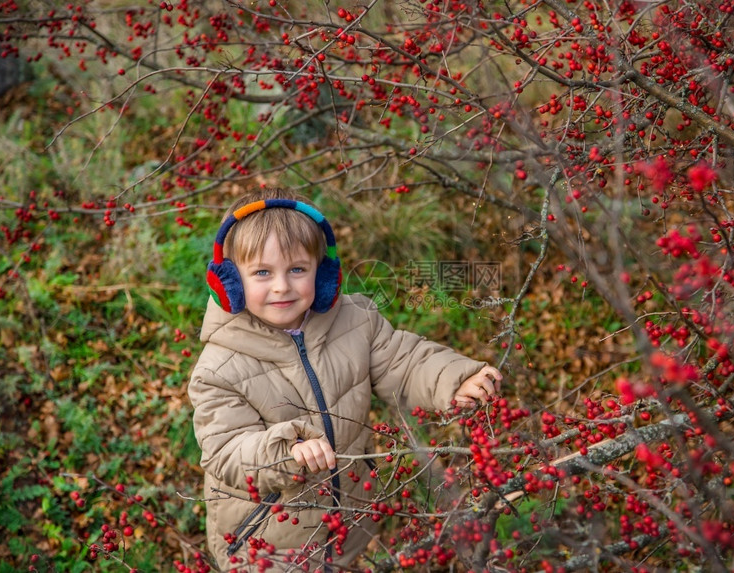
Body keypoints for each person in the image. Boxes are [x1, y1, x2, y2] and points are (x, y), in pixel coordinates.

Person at [188, 188, 502, 571]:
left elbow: (403, 362)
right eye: (262, 273)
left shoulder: (355, 320)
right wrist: (286, 451)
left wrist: (455, 379)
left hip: (350, 518)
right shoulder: (218, 369)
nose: (282, 286)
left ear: (324, 273)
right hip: (270, 541)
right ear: (229, 282)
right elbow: (227, 451)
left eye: (297, 269)